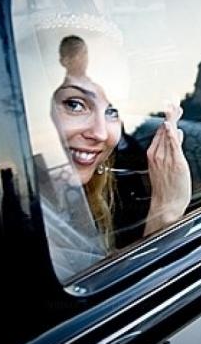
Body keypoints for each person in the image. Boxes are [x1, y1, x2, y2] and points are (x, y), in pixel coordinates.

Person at [31, 17, 191, 281]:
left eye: (113, 110)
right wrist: (166, 210)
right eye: (75, 104)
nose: (101, 132)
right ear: (34, 101)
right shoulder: (22, 215)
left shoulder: (77, 192)